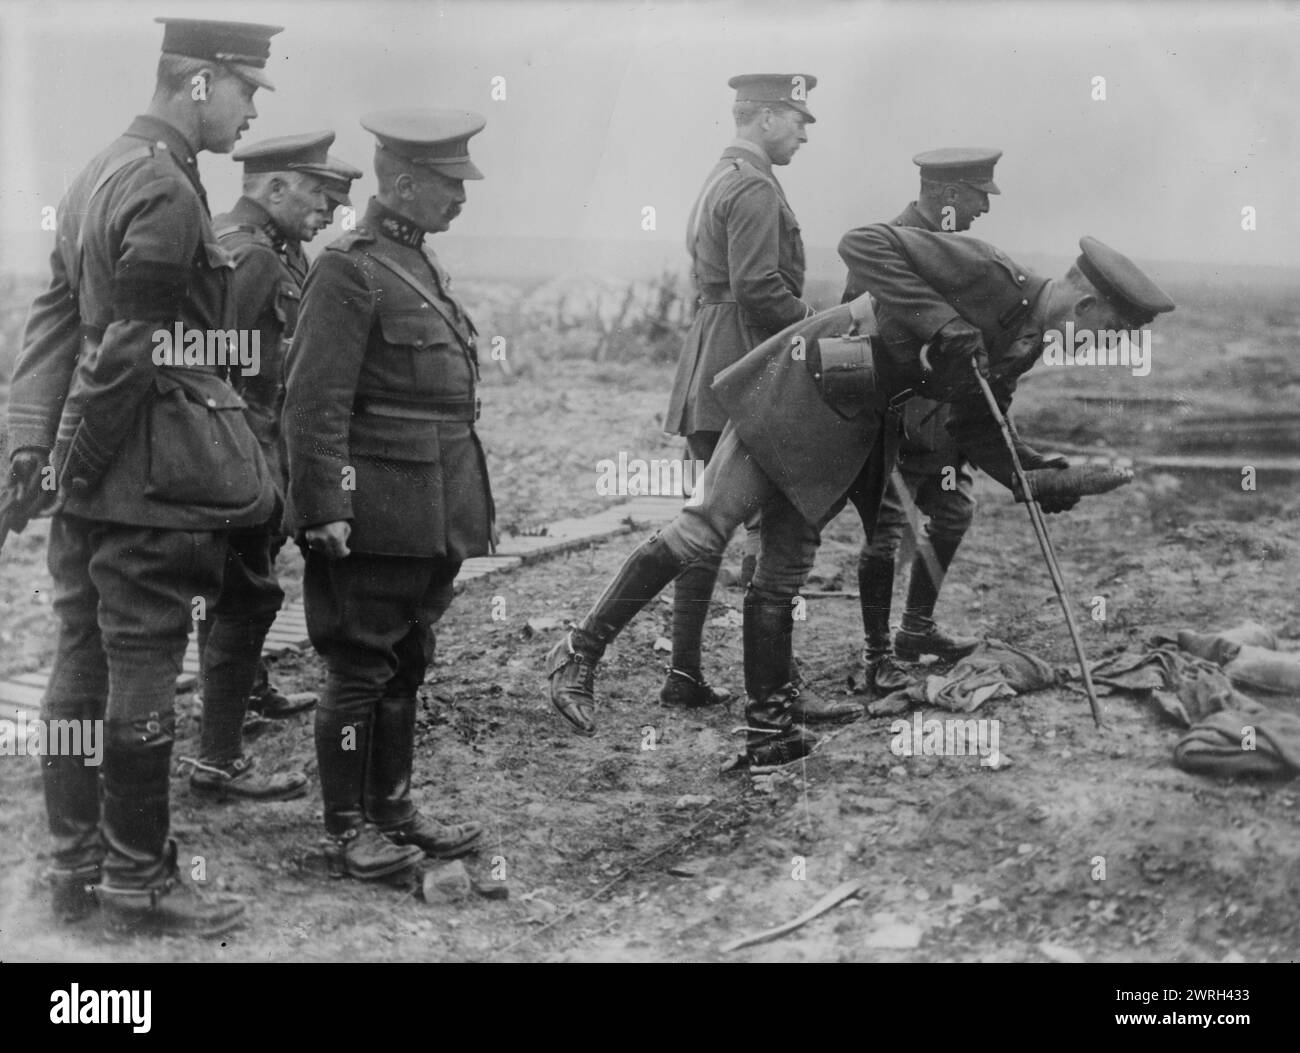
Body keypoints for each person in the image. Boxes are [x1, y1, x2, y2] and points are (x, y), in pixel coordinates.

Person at [547, 228, 1174, 768]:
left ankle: (769, 727)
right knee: (703, 530)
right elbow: (863, 244)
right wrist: (944, 321)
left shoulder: (1027, 341)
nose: (1095, 344)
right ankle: (577, 652)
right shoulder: (987, 270)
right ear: (1087, 301)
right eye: (1104, 331)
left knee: (786, 568)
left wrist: (1036, 477)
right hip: (805, 379)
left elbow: (977, 422)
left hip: (853, 419)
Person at [6, 16, 281, 935]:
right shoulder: (164, 188)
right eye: (246, 91)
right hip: (147, 477)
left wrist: (31, 448)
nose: (249, 114)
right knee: (143, 667)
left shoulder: (98, 170)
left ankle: (74, 866)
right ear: (200, 81)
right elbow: (130, 348)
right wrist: (73, 461)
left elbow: (51, 321)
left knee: (78, 665)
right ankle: (139, 878)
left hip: (95, 478)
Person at [282, 109, 492, 883]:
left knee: (407, 658)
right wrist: (324, 504)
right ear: (402, 183)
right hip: (374, 504)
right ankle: (347, 829)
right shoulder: (349, 267)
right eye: (449, 185)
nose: (461, 199)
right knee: (360, 665)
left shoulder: (419, 264)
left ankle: (393, 812)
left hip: (432, 503)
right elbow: (313, 402)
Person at [185, 132, 355, 802]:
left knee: (240, 582)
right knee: (247, 592)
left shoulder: (276, 246)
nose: (327, 210)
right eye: (318, 194)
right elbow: (204, 358)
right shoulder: (247, 254)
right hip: (238, 446)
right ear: (274, 188)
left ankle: (246, 694)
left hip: (259, 441)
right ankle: (218, 759)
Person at [658, 74, 824, 716]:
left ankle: (685, 672)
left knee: (705, 522)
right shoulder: (754, 184)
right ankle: (776, 684)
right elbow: (758, 286)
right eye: (798, 119)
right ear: (765, 118)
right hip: (743, 364)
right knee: (768, 519)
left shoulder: (719, 174)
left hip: (709, 358)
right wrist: (815, 324)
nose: (805, 133)